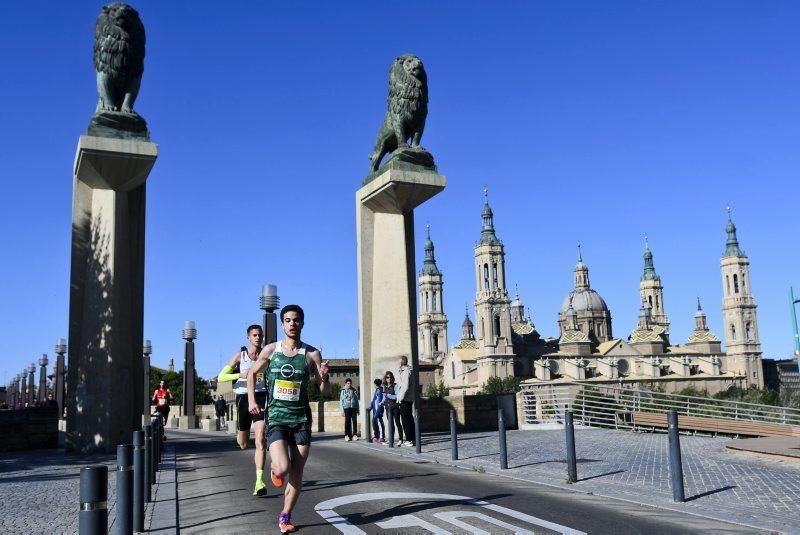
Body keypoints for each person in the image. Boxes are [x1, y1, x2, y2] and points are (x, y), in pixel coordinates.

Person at [247, 304, 329, 534]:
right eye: (288, 320)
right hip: (276, 417)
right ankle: (275, 471)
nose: (292, 324)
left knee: (297, 471)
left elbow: (323, 389)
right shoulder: (271, 351)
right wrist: (253, 401)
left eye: (296, 320)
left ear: (302, 323)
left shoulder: (312, 354)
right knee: (283, 468)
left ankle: (285, 515)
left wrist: (324, 378)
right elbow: (252, 373)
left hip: (301, 418)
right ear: (282, 324)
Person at [217, 324, 269, 496]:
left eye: (260, 335)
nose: (258, 338)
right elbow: (221, 377)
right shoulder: (241, 355)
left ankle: (259, 481)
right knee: (243, 444)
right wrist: (239, 375)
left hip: (260, 396)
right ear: (248, 337)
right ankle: (241, 437)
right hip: (243, 399)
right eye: (254, 335)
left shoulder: (266, 355)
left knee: (260, 439)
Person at [396, 356, 416, 447]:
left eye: (398, 362)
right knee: (409, 419)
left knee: (406, 420)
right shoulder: (408, 371)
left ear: (401, 363)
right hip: (408, 398)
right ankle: (412, 439)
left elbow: (405, 387)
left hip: (405, 399)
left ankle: (409, 439)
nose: (397, 364)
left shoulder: (406, 372)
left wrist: (400, 398)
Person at [382, 371, 402, 446]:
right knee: (390, 424)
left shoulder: (395, 386)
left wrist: (388, 395)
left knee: (397, 423)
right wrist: (381, 403)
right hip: (388, 408)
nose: (389, 378)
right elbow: (384, 397)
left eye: (390, 377)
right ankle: (391, 440)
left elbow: (396, 396)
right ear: (385, 378)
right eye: (387, 377)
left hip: (395, 407)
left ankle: (401, 439)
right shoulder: (384, 386)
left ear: (392, 378)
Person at [370, 378, 385, 443]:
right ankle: (376, 436)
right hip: (375, 410)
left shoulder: (380, 390)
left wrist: (378, 411)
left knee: (379, 423)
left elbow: (380, 401)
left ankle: (381, 437)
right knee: (374, 423)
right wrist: (371, 407)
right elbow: (374, 400)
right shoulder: (377, 390)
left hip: (378, 410)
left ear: (375, 384)